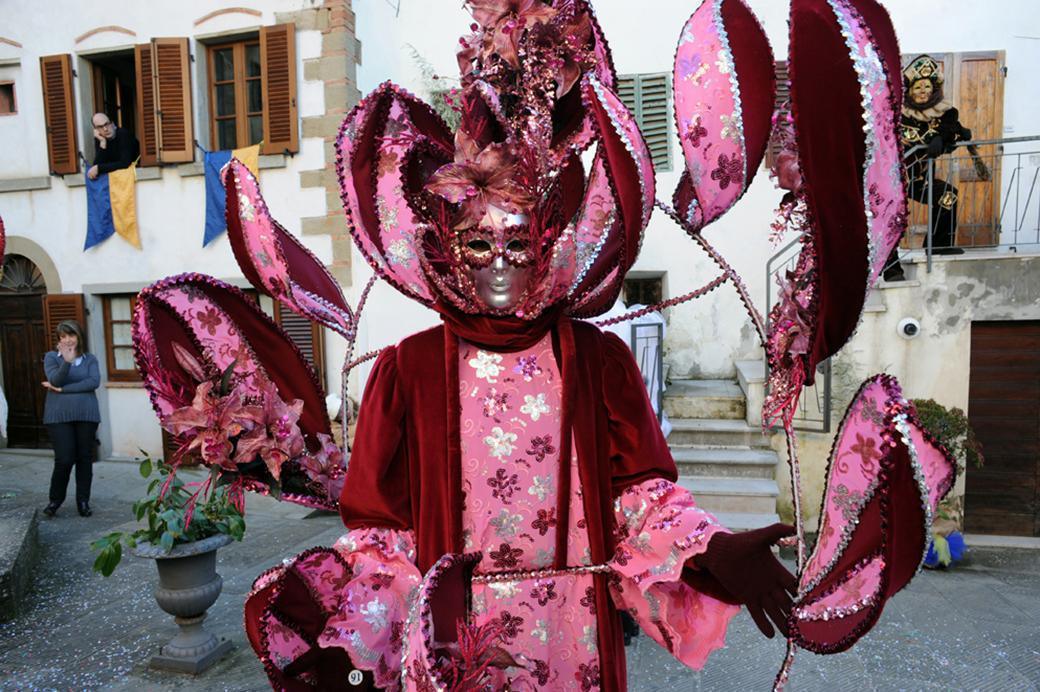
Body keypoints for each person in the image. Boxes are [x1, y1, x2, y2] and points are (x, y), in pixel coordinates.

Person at [41, 320, 100, 518]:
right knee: (64, 459)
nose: (67, 340)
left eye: (71, 335)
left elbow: (94, 382)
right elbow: (55, 379)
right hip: (58, 416)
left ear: (78, 337)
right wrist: (66, 361)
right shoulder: (51, 357)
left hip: (86, 414)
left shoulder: (89, 359)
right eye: (63, 337)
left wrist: (63, 390)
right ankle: (55, 500)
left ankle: (83, 501)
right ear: (59, 340)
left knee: (84, 458)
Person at [87, 112, 139, 181]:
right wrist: (102, 143)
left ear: (112, 123)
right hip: (116, 182)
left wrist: (99, 168)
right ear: (96, 130)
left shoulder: (123, 134)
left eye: (106, 124)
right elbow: (96, 168)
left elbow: (125, 163)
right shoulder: (101, 139)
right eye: (100, 127)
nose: (105, 129)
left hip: (133, 180)